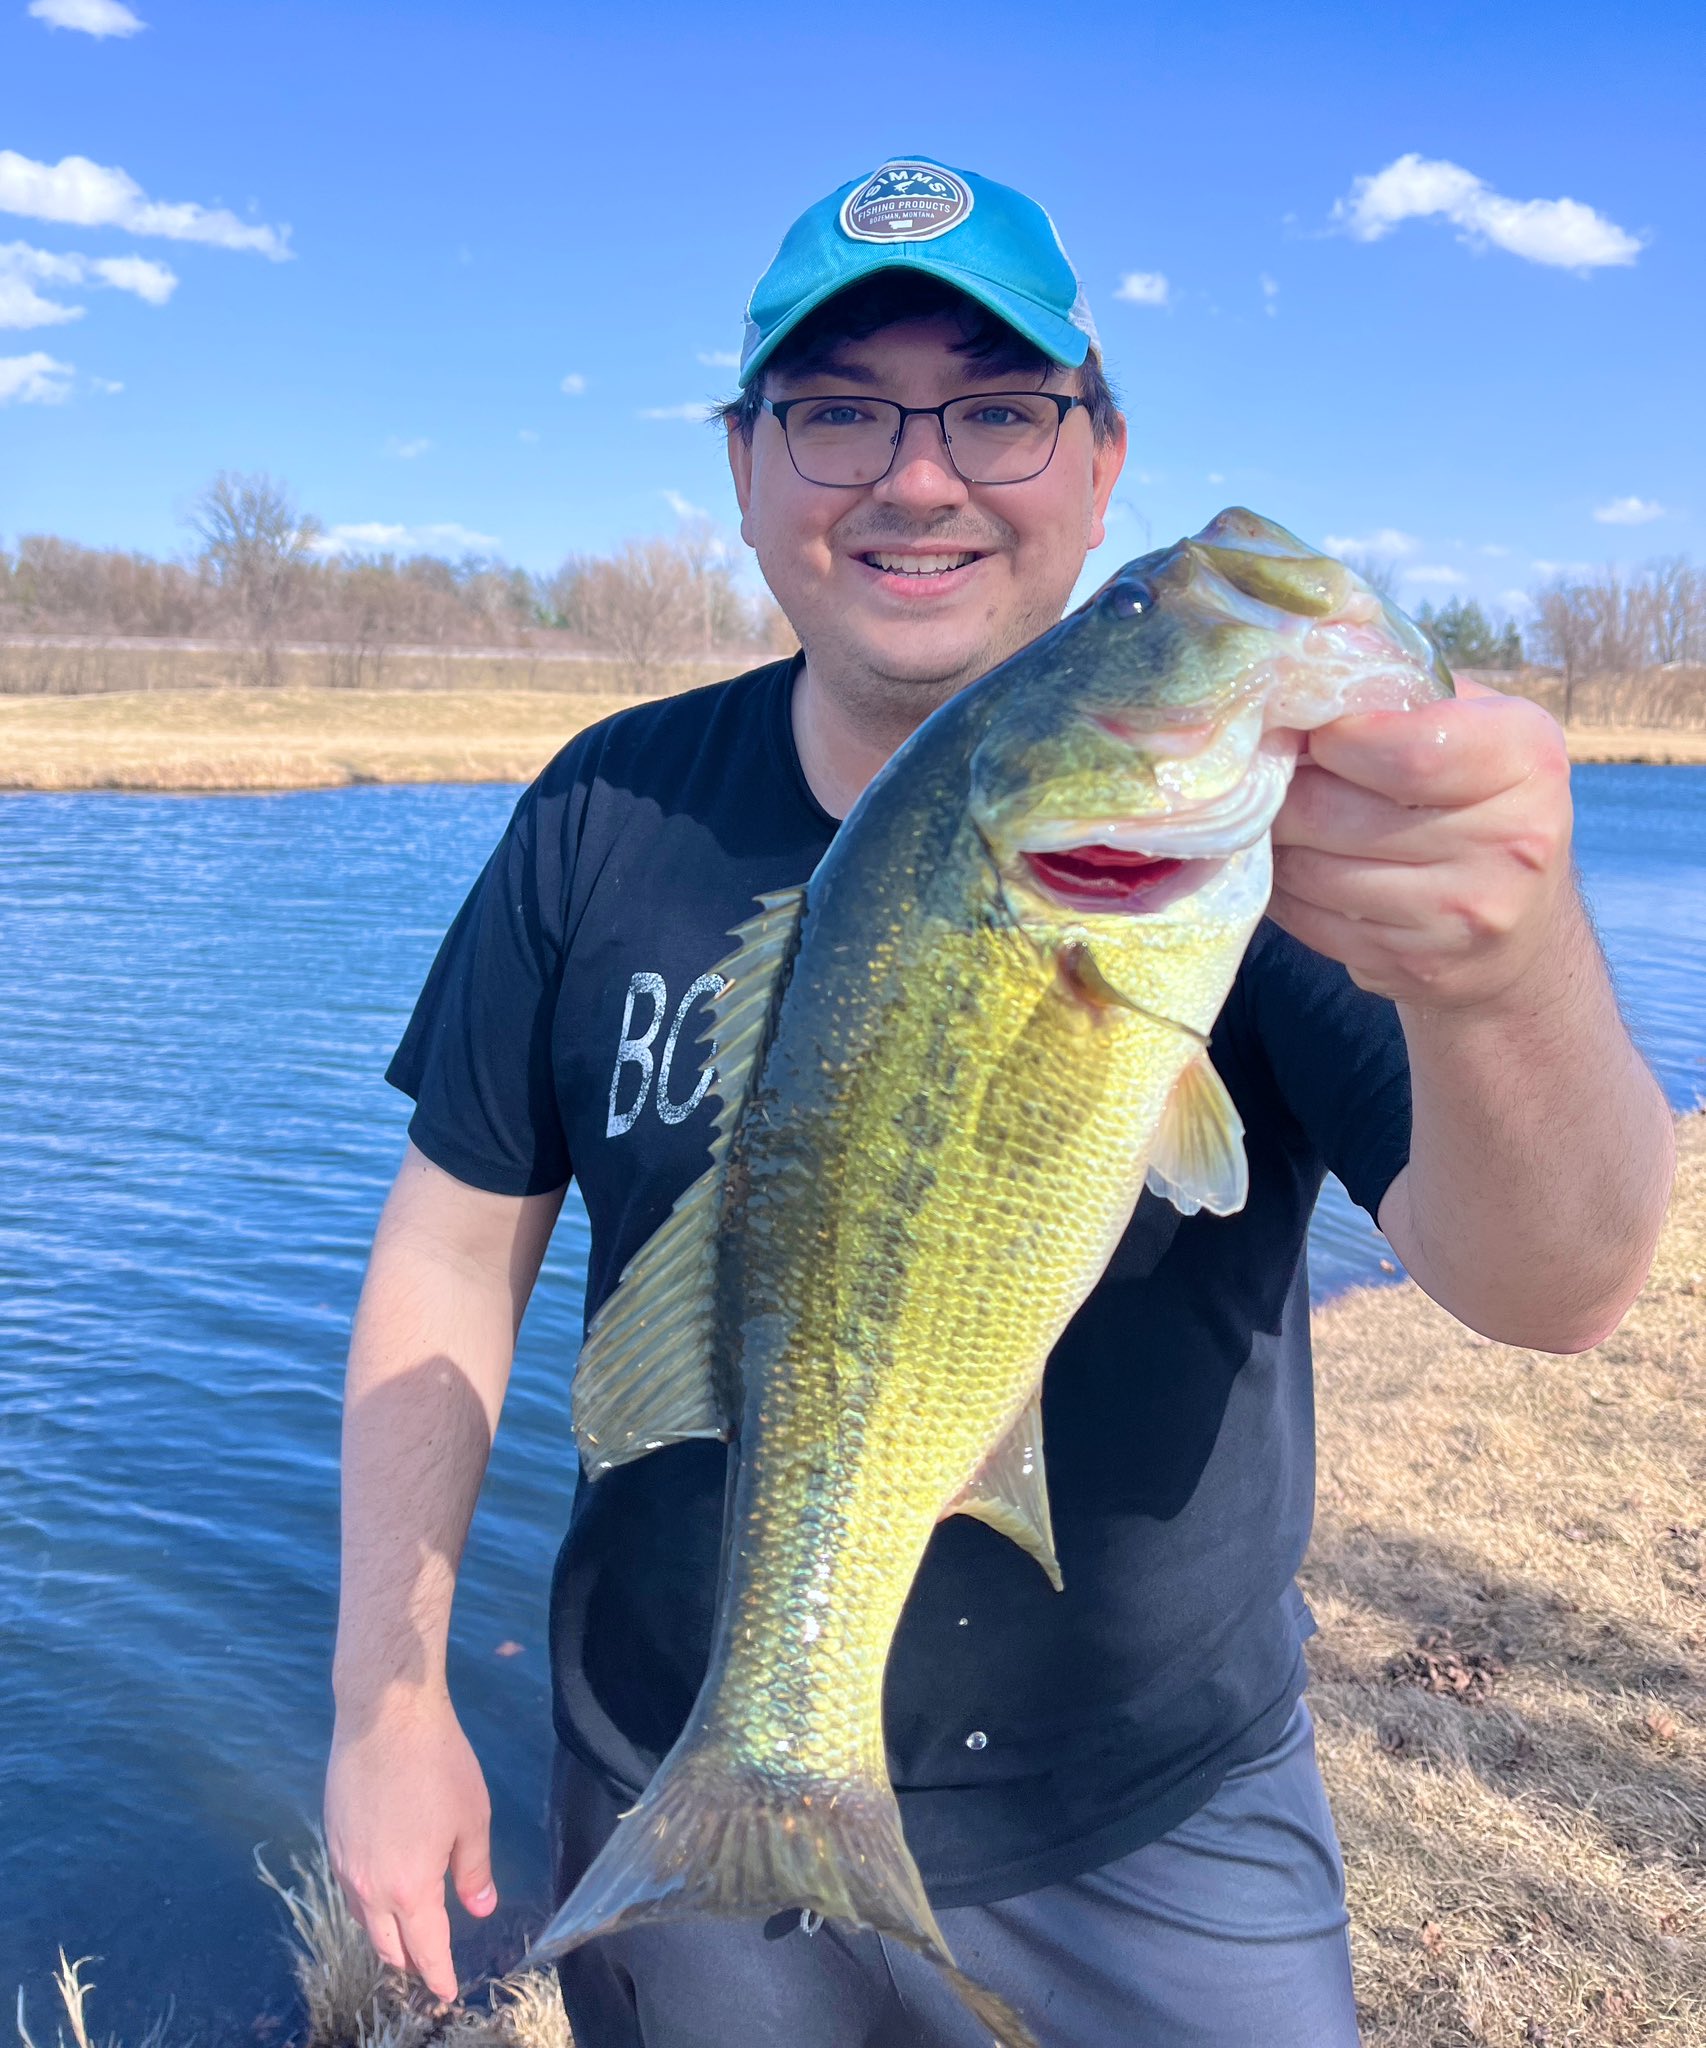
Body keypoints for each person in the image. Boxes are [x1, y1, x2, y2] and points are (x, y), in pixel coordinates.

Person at [324, 157, 1674, 2046]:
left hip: (1161, 1822)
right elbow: (453, 1254)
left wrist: (1504, 971)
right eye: (834, 407)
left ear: (1099, 456)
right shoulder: (595, 809)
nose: (917, 471)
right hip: (685, 1779)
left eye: (999, 404)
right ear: (742, 467)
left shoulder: (1283, 852)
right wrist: (384, 1707)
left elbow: (1560, 1291)